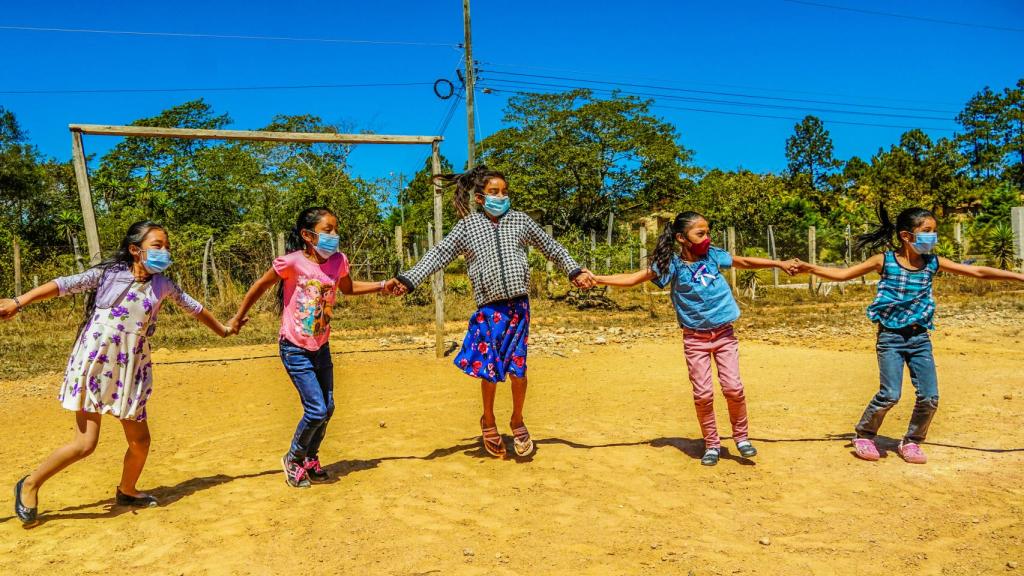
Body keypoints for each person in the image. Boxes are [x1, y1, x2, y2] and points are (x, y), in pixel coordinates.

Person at [1, 220, 234, 526]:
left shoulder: (163, 285)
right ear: (135, 250)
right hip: (95, 363)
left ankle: (127, 490)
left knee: (140, 442)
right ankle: (29, 484)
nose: (165, 252)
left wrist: (223, 330)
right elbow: (63, 284)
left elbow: (196, 308)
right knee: (85, 444)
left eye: (167, 246)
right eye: (157, 246)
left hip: (131, 367)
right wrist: (19, 302)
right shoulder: (109, 275)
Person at [388, 165, 595, 458]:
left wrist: (573, 269)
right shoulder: (467, 227)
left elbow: (552, 247)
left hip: (519, 308)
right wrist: (409, 279)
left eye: (505, 192)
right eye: (494, 192)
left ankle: (517, 419)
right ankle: (488, 420)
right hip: (489, 310)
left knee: (518, 371)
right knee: (490, 368)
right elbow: (438, 254)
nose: (502, 197)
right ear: (481, 198)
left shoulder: (520, 221)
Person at [796, 204, 1024, 464]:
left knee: (930, 397)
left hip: (920, 339)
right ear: (906, 236)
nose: (933, 237)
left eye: (934, 231)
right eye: (927, 231)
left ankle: (913, 441)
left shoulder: (933, 263)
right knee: (890, 394)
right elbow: (841, 274)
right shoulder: (884, 261)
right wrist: (809, 268)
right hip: (890, 338)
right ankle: (865, 434)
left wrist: (1019, 277)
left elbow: (978, 271)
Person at [593, 211, 799, 466]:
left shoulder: (713, 255)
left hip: (724, 335)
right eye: (700, 234)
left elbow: (743, 261)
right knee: (703, 394)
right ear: (682, 238)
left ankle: (741, 437)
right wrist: (596, 279)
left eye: (708, 232)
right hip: (695, 340)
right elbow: (634, 278)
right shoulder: (671, 265)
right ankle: (712, 443)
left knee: (733, 388)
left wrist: (778, 263)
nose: (707, 238)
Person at [231, 207, 388, 488]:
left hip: (321, 347)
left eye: (335, 230)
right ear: (307, 235)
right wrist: (239, 315)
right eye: (327, 230)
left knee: (327, 407)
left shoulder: (339, 261)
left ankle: (310, 458)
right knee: (315, 409)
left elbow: (348, 289)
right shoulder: (291, 263)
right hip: (295, 348)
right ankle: (293, 458)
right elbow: (260, 285)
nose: (334, 236)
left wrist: (382, 285)